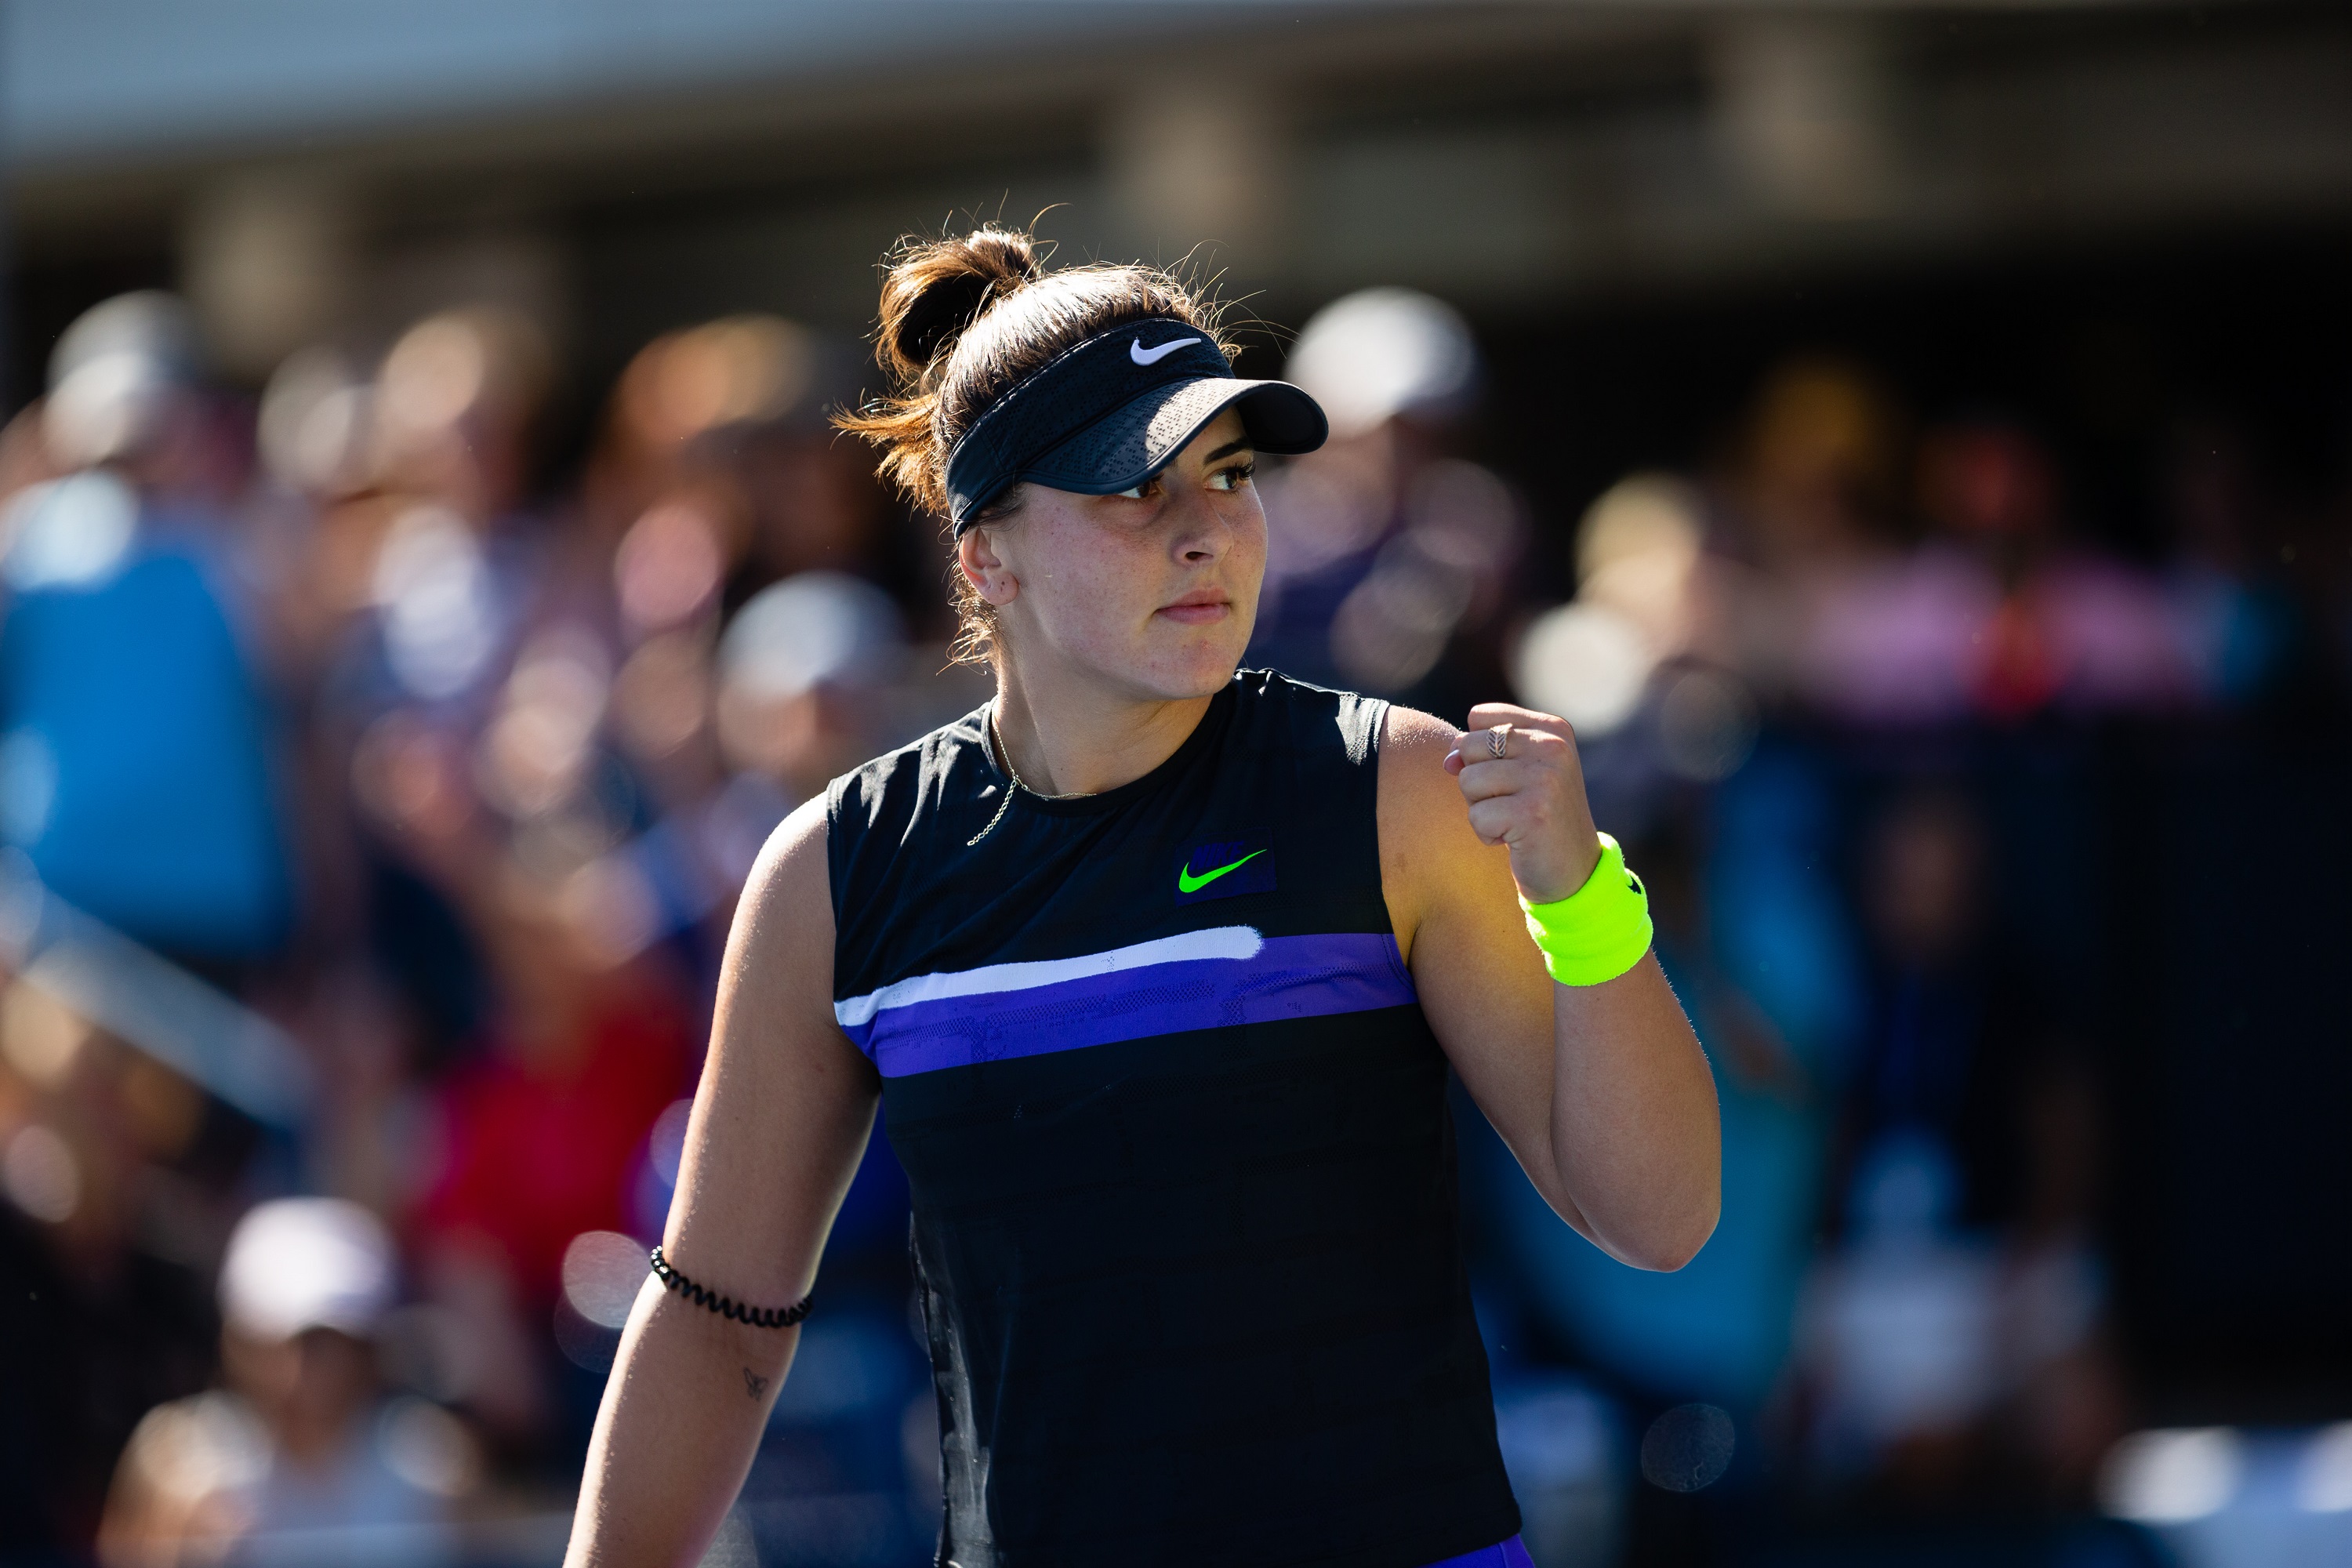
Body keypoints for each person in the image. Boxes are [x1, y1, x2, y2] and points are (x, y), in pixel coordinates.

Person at [562, 228, 1720, 1568]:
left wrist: (1582, 895)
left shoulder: (1390, 787)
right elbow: (715, 1318)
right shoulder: (839, 870)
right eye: (1132, 489)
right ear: (988, 555)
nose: (1204, 533)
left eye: (1228, 476)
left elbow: (1655, 1216)